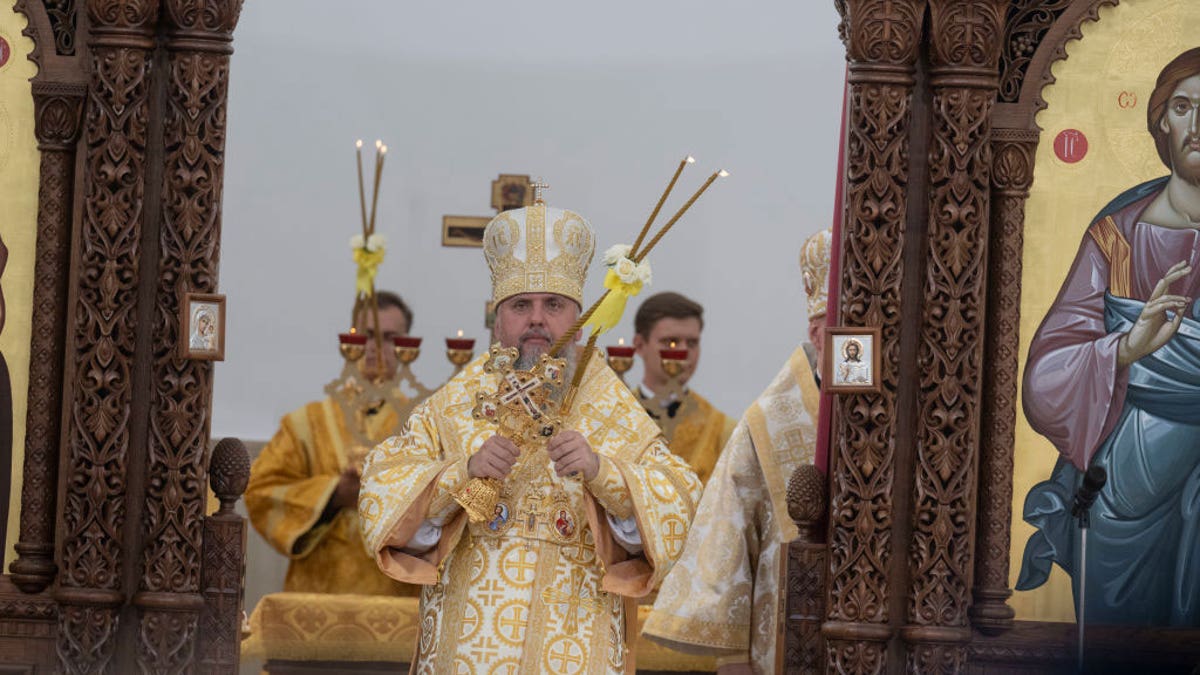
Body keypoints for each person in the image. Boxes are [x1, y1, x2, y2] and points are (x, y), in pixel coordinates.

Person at [357, 201, 701, 673]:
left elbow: (681, 505)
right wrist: (462, 473)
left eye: (554, 305)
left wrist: (605, 474)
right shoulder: (455, 404)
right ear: (498, 320)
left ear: (579, 318)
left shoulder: (610, 405)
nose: (538, 319)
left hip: (576, 642)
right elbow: (381, 495)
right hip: (467, 647)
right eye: (522, 305)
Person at [1016, 48, 1200, 626]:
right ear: (1161, 123)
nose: (1198, 125)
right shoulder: (1116, 237)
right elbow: (1046, 375)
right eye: (1183, 106)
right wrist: (1123, 349)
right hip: (1129, 474)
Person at [643, 228, 830, 673]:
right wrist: (732, 658)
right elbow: (726, 538)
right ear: (817, 332)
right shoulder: (766, 422)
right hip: (780, 642)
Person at [245, 290, 418, 596]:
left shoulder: (425, 425)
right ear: (349, 343)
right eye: (367, 335)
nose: (377, 347)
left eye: (390, 337)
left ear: (406, 347)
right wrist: (333, 495)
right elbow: (261, 492)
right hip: (318, 597)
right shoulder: (304, 424)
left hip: (397, 602)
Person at [631, 292, 735, 484]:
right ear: (639, 345)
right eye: (671, 342)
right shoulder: (612, 417)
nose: (683, 352)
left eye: (692, 343)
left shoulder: (723, 430)